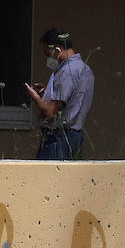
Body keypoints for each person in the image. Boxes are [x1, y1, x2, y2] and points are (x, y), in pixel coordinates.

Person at [25, 28, 93, 160]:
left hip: (59, 138)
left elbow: (51, 111)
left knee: (47, 179)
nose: (48, 60)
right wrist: (47, 93)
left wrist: (36, 98)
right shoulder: (84, 69)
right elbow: (72, 99)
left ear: (57, 50)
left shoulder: (67, 71)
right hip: (75, 135)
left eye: (47, 55)